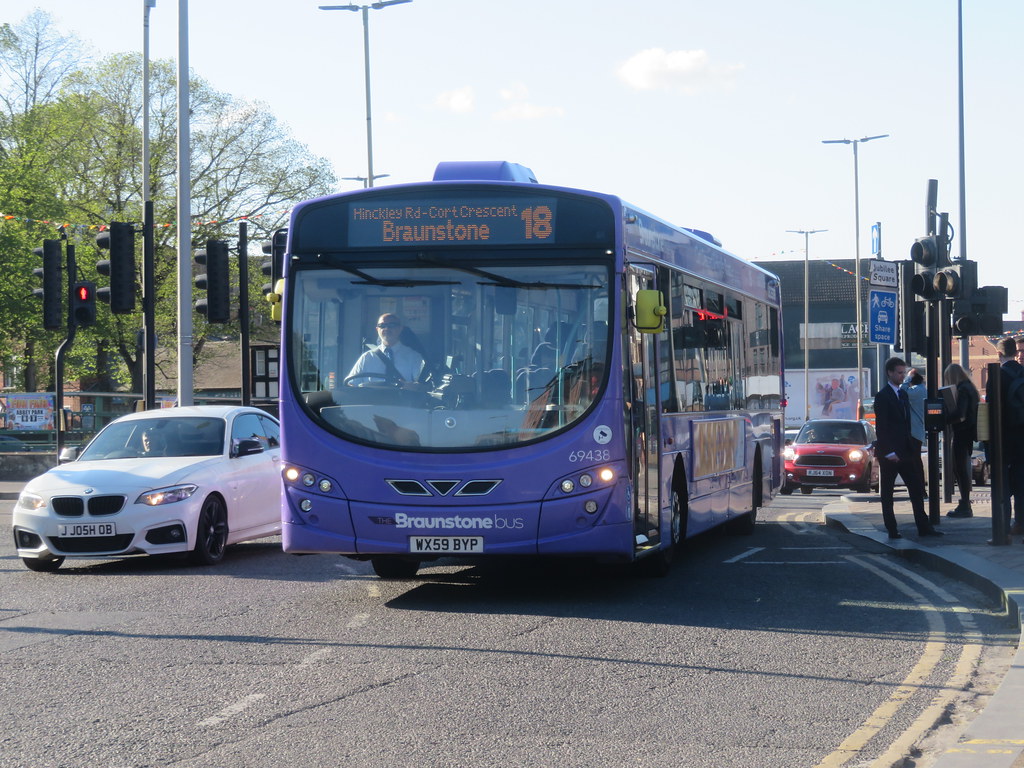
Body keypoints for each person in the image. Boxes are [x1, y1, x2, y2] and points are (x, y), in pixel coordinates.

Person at [874, 356, 942, 539]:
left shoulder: (903, 394)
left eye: (904, 372)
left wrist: (911, 447)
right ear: (889, 373)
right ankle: (892, 529)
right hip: (890, 454)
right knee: (888, 494)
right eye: (899, 372)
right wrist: (889, 452)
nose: (902, 376)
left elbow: (907, 423)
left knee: (917, 489)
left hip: (906, 450)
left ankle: (924, 527)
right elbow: (882, 427)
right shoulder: (882, 396)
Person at [345, 313, 425, 389]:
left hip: (401, 401)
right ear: (377, 329)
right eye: (382, 326)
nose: (386, 329)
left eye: (391, 325)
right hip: (372, 401)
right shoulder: (366, 357)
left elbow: (422, 386)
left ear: (400, 328)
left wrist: (413, 387)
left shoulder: (414, 357)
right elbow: (351, 384)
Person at [943, 363, 980, 517]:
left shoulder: (962, 389)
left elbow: (960, 413)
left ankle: (965, 505)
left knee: (959, 469)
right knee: (960, 468)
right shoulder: (970, 387)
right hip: (969, 431)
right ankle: (964, 503)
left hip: (962, 432)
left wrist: (943, 418)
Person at [995, 338, 1024, 535]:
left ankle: (1002, 525)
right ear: (1016, 353)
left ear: (999, 354)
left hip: (1003, 439)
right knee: (1022, 483)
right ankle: (1020, 523)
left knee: (1002, 485)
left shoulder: (997, 375)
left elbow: (991, 411)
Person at [900, 367, 928, 496]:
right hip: (918, 430)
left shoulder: (917, 391)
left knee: (914, 462)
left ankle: (919, 491)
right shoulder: (922, 389)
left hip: (914, 430)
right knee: (915, 461)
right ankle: (920, 490)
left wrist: (907, 378)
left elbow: (901, 391)